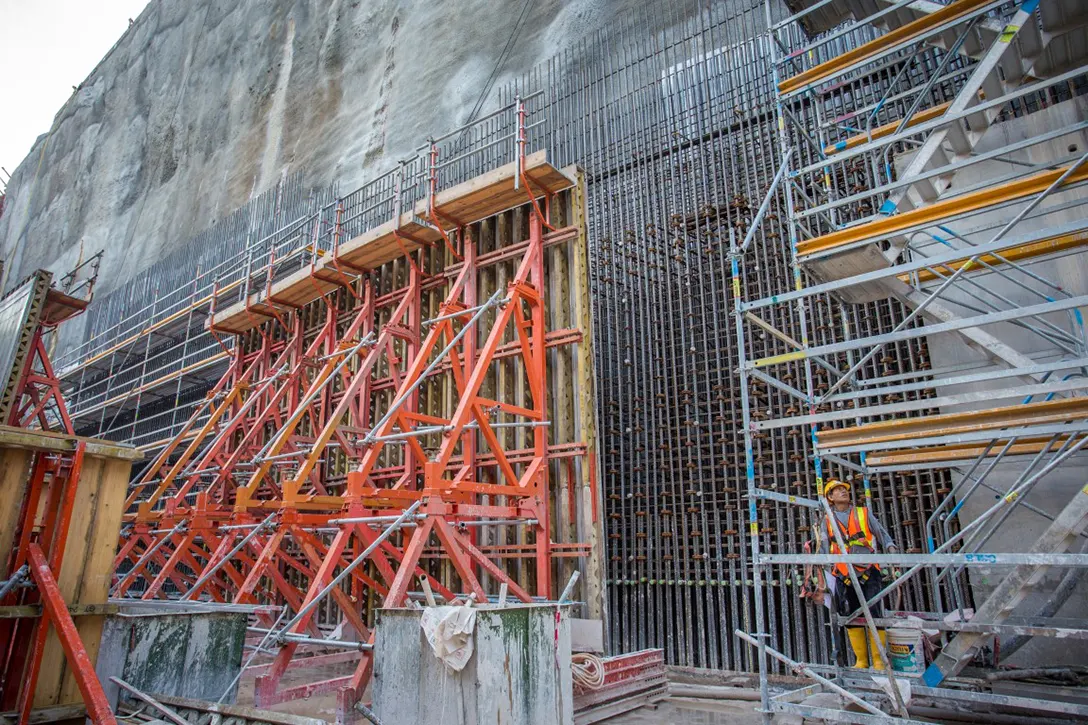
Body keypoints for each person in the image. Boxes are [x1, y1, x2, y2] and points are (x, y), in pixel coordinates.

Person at [818, 479, 898, 669]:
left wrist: (891, 547)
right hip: (843, 574)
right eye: (837, 491)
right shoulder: (827, 520)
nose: (843, 492)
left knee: (875, 613)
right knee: (851, 615)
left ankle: (879, 660)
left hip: (869, 570)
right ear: (830, 498)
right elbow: (823, 547)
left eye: (844, 489)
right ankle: (861, 660)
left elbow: (881, 533)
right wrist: (821, 572)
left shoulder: (863, 513)